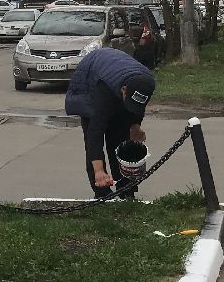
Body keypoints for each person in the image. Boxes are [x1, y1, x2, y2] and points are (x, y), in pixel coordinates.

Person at [65, 47, 156, 199]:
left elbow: (139, 108)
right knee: (94, 134)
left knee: (120, 139)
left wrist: (135, 126)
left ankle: (125, 189)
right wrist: (99, 170)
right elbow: (95, 133)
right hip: (89, 81)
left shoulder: (146, 83)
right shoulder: (104, 90)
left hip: (114, 73)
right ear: (124, 90)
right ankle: (101, 191)